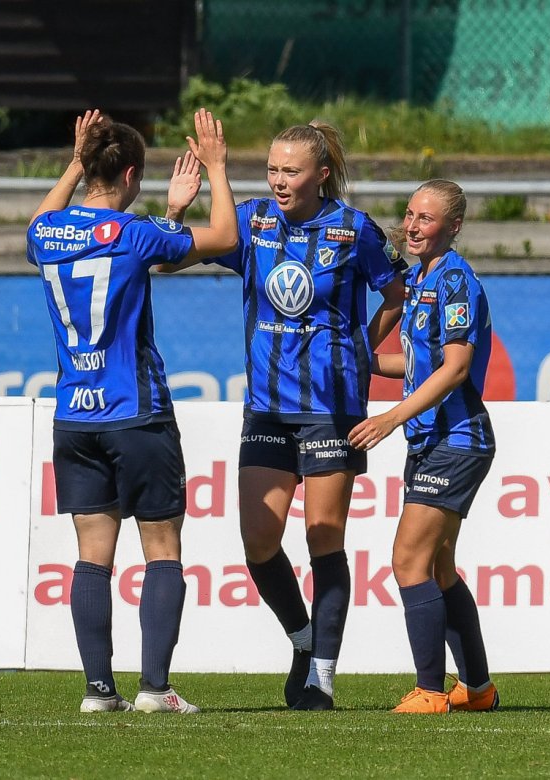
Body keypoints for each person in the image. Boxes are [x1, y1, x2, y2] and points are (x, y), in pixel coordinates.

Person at [166, 120, 406, 710]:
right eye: (272, 169)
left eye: (290, 171)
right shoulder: (251, 221)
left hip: (332, 406)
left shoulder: (354, 229)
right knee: (258, 541)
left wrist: (362, 348)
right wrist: (177, 212)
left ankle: (322, 674)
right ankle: (303, 639)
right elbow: (173, 258)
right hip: (268, 408)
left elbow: (396, 291)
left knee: (323, 537)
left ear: (320, 174)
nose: (278, 180)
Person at [26, 108, 237, 714]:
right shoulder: (134, 234)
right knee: (162, 547)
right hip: (136, 413)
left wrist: (75, 164)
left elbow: (40, 224)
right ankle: (154, 689)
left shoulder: (48, 232)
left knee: (92, 554)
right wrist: (215, 169)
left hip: (76, 416)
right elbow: (224, 237)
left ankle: (98, 690)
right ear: (130, 175)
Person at [348, 179, 499, 714]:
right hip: (433, 440)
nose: (412, 226)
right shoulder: (418, 279)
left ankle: (431, 691)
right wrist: (357, 360)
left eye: (425, 219)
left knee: (408, 561)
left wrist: (391, 417)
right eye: (410, 214)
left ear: (453, 227)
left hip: (457, 440)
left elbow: (455, 369)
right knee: (437, 568)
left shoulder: (455, 280)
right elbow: (417, 364)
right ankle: (477, 689)